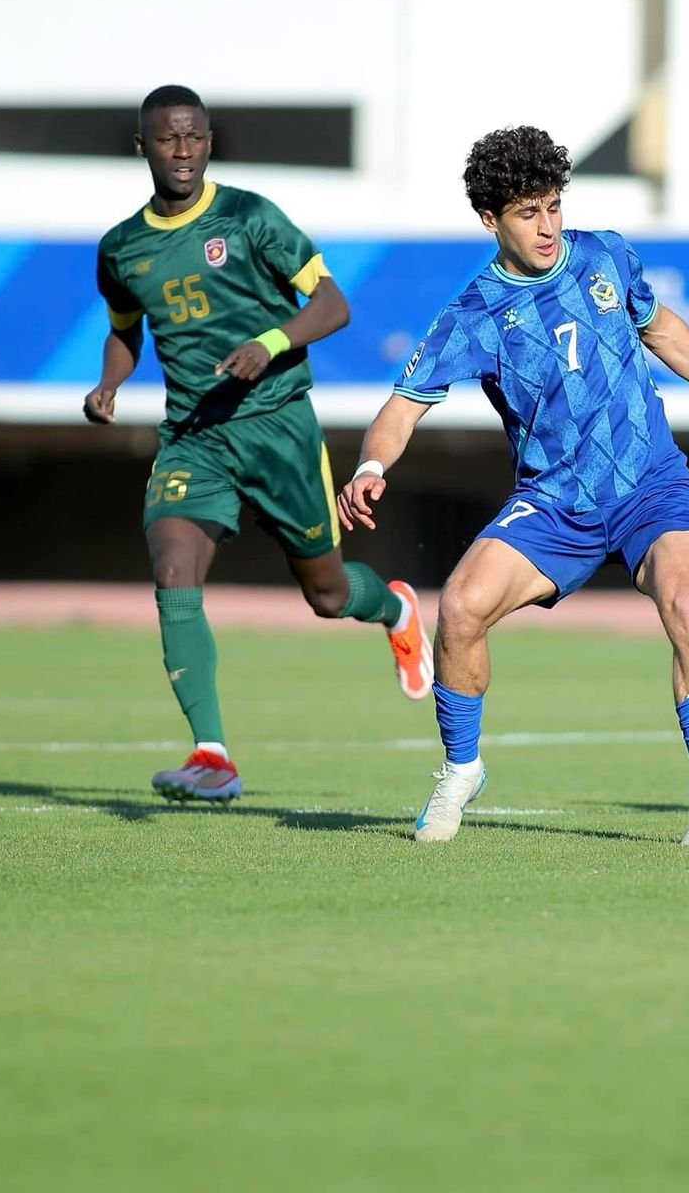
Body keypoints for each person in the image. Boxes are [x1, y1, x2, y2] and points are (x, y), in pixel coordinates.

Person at [338, 124, 689, 846]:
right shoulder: (474, 314)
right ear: (491, 220)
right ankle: (462, 769)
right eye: (529, 212)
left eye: (554, 205)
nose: (549, 225)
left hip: (651, 485)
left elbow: (661, 328)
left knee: (687, 599)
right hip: (555, 504)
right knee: (459, 608)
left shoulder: (605, 254)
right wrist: (372, 467)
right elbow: (401, 408)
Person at [86, 84, 432, 805]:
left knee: (329, 595)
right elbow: (125, 333)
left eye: (195, 137)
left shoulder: (249, 217)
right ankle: (213, 755)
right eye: (168, 138)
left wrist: (268, 343)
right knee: (173, 567)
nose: (183, 151)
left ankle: (395, 609)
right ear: (141, 146)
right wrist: (109, 386)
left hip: (277, 426)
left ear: (209, 142)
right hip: (194, 435)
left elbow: (333, 305)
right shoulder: (121, 249)